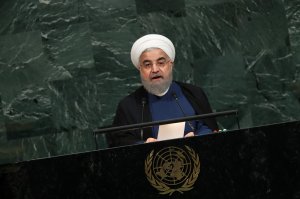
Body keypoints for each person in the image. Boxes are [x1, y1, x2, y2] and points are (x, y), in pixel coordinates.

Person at [106, 34, 218, 147]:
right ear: (140, 69)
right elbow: (119, 141)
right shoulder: (128, 105)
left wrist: (197, 138)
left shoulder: (194, 93)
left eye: (161, 63)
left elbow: (208, 126)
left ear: (170, 64)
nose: (155, 70)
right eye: (147, 65)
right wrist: (143, 144)